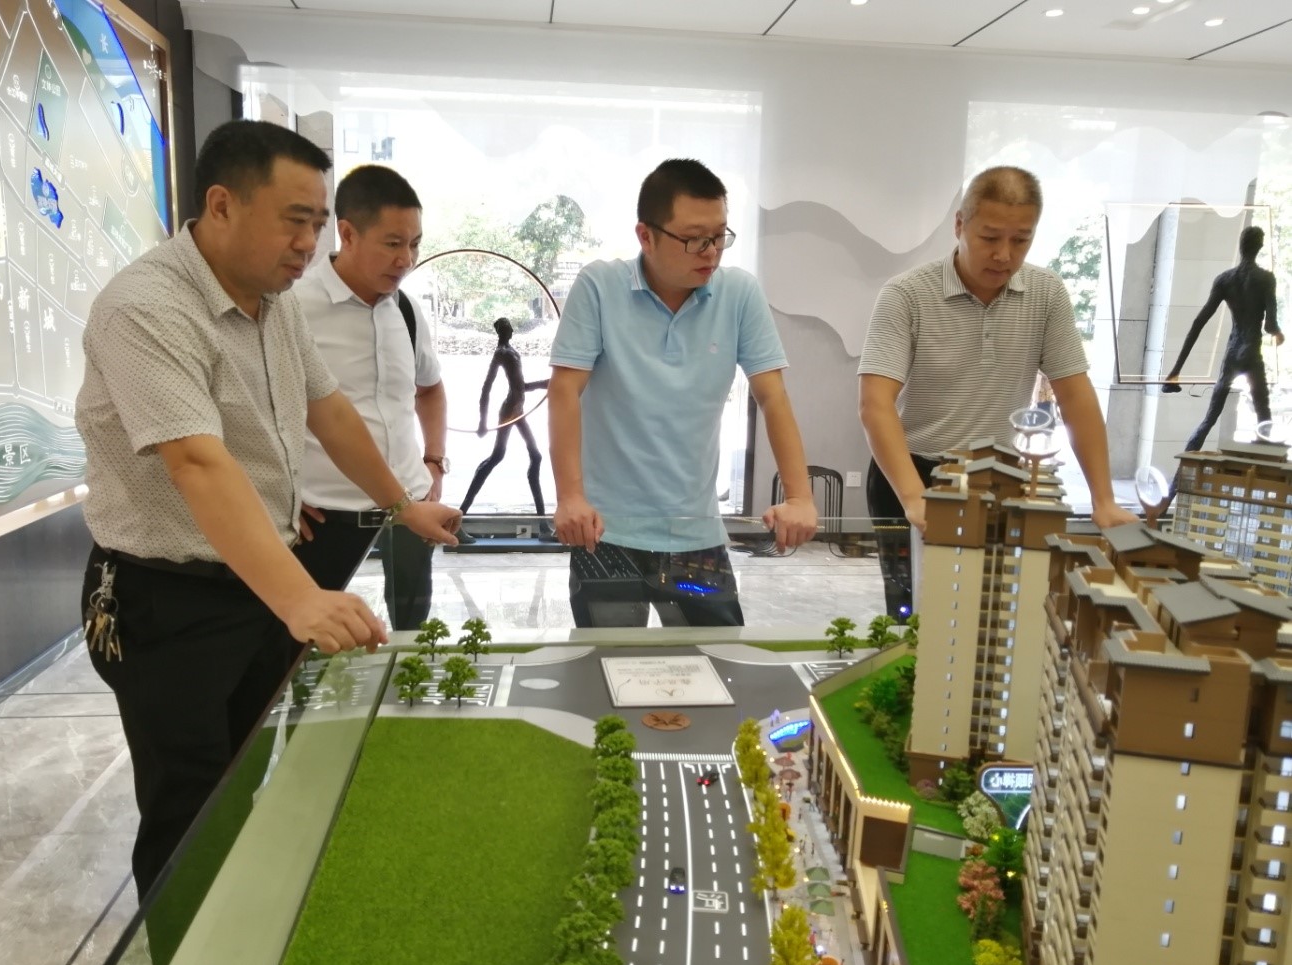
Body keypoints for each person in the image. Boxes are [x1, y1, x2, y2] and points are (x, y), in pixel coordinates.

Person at [75, 121, 461, 901]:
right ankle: (187, 945)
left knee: (244, 773)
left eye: (318, 222)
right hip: (166, 598)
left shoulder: (272, 303)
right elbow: (197, 462)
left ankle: (239, 920)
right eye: (295, 220)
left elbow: (331, 412)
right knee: (188, 809)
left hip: (254, 585)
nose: (309, 243)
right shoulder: (146, 307)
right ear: (222, 205)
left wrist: (402, 505)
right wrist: (300, 597)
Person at [548, 157, 818, 627]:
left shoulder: (738, 293)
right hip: (605, 532)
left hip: (696, 533)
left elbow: (772, 396)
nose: (710, 252)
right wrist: (569, 496)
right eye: (694, 238)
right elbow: (564, 391)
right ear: (646, 236)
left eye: (719, 236)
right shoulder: (600, 286)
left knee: (718, 656)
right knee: (608, 662)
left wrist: (800, 497)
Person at [859, 165, 1137, 616]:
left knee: (987, 613)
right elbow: (875, 404)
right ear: (960, 225)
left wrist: (1103, 499)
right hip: (911, 472)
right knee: (916, 616)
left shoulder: (1047, 293)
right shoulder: (906, 295)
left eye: (1021, 240)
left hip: (997, 480)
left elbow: (1075, 397)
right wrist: (913, 497)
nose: (1004, 255)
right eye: (989, 237)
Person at [293, 164, 452, 629]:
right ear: (347, 233)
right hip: (326, 519)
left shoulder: (405, 309)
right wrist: (275, 494)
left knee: (412, 637)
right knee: (311, 642)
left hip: (410, 512)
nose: (407, 259)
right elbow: (254, 410)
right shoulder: (293, 307)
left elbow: (430, 389)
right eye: (393, 243)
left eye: (415, 244)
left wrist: (434, 461)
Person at [1162, 225, 1283, 451]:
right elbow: (1269, 324)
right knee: (1263, 416)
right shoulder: (1266, 279)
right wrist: (1278, 333)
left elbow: (1199, 322)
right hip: (1251, 350)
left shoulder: (1225, 280)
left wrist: (1175, 371)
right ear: (1259, 247)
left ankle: (1183, 468)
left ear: (1241, 246)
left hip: (1233, 352)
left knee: (1210, 418)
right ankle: (1263, 464)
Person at [458, 316, 548, 518]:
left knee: (535, 456)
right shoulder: (501, 353)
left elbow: (520, 387)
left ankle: (542, 520)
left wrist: (545, 384)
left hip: (518, 411)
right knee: (497, 457)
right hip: (509, 412)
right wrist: (482, 422)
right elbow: (486, 389)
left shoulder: (511, 351)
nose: (512, 331)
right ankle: (461, 512)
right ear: (501, 331)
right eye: (508, 328)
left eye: (511, 328)